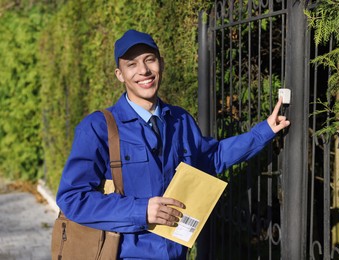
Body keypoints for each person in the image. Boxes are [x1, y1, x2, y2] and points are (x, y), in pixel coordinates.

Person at [56, 29, 290, 259]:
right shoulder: (98, 127)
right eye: (132, 64)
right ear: (120, 74)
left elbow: (212, 158)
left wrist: (264, 132)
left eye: (150, 60)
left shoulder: (180, 119)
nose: (144, 71)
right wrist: (141, 210)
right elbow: (72, 198)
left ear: (162, 64)